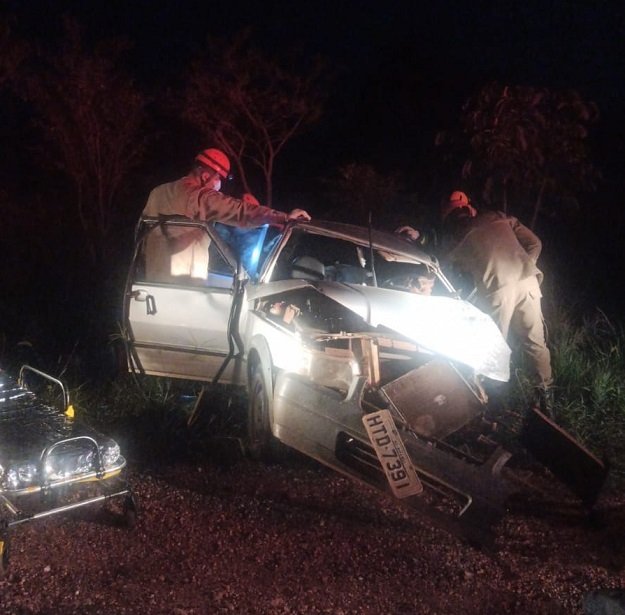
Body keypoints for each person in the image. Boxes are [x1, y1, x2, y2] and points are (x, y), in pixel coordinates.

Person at [440, 190, 553, 414]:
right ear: (469, 207)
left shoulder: (460, 236)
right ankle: (546, 399)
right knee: (535, 343)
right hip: (528, 282)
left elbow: (440, 260)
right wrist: (524, 265)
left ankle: (491, 402)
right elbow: (535, 243)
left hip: (497, 292)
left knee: (492, 346)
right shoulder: (500, 217)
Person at [143, 148, 310, 227]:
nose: (219, 185)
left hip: (148, 279)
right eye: (218, 178)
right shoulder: (200, 197)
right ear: (205, 176)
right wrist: (283, 217)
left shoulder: (157, 192)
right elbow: (239, 210)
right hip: (185, 281)